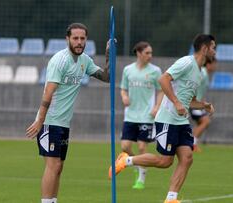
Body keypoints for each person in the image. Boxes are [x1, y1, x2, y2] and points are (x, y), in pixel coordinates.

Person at [115, 34, 216, 203]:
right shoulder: (186, 62)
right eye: (213, 47)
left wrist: (204, 105)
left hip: (181, 122)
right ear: (204, 48)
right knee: (165, 161)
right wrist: (176, 103)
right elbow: (163, 79)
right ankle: (126, 160)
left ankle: (171, 198)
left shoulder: (199, 73)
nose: (215, 51)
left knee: (187, 158)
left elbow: (189, 101)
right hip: (167, 120)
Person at [25, 23, 110, 203]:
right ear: (67, 39)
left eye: (82, 38)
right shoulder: (59, 60)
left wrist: (110, 56)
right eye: (75, 38)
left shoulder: (84, 60)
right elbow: (48, 92)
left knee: (59, 166)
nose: (79, 42)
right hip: (49, 121)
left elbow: (106, 77)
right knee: (53, 165)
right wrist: (40, 121)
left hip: (63, 123)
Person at [110, 41, 164, 190]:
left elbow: (161, 90)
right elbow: (123, 88)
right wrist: (124, 96)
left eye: (151, 53)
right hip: (131, 115)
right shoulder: (128, 70)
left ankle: (141, 178)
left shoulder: (155, 71)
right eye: (147, 53)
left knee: (141, 146)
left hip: (147, 115)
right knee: (125, 146)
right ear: (139, 53)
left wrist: (157, 106)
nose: (150, 56)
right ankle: (134, 163)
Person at [189, 57, 217, 152]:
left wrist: (204, 104)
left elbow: (201, 91)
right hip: (194, 104)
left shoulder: (206, 74)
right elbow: (194, 85)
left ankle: (192, 143)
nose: (215, 66)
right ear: (209, 64)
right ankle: (192, 143)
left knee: (202, 123)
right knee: (206, 121)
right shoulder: (203, 73)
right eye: (214, 64)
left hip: (198, 104)